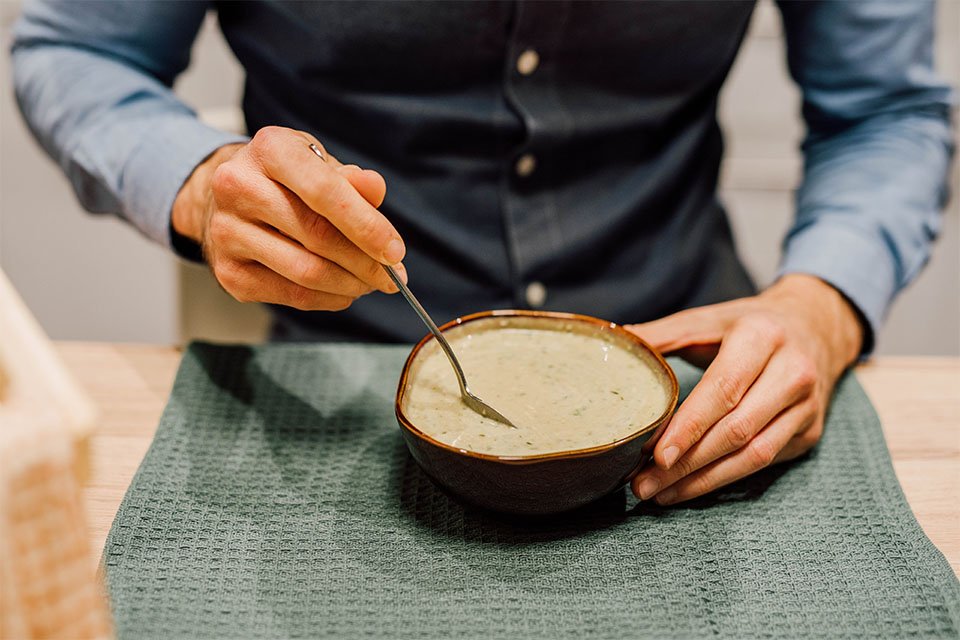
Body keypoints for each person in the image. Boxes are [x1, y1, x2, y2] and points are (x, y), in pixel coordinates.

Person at [12, 1, 954, 506]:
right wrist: (198, 179)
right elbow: (74, 52)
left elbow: (886, 110)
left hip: (703, 389)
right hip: (335, 391)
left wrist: (822, 306)